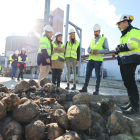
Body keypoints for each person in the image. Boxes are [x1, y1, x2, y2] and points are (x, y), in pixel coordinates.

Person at [115, 14, 140, 114]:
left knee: (130, 83)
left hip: (130, 60)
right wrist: (118, 50)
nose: (118, 26)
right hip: (125, 61)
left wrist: (119, 48)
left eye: (119, 24)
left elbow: (132, 45)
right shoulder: (125, 34)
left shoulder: (134, 31)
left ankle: (135, 106)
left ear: (126, 22)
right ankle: (131, 103)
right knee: (128, 83)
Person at [79, 24, 109, 95]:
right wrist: (90, 51)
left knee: (98, 75)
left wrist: (99, 51)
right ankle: (85, 88)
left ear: (99, 31)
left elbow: (107, 50)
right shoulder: (92, 40)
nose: (95, 33)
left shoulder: (104, 39)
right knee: (87, 74)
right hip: (91, 59)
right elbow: (88, 49)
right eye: (94, 31)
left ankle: (97, 90)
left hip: (98, 60)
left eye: (96, 31)